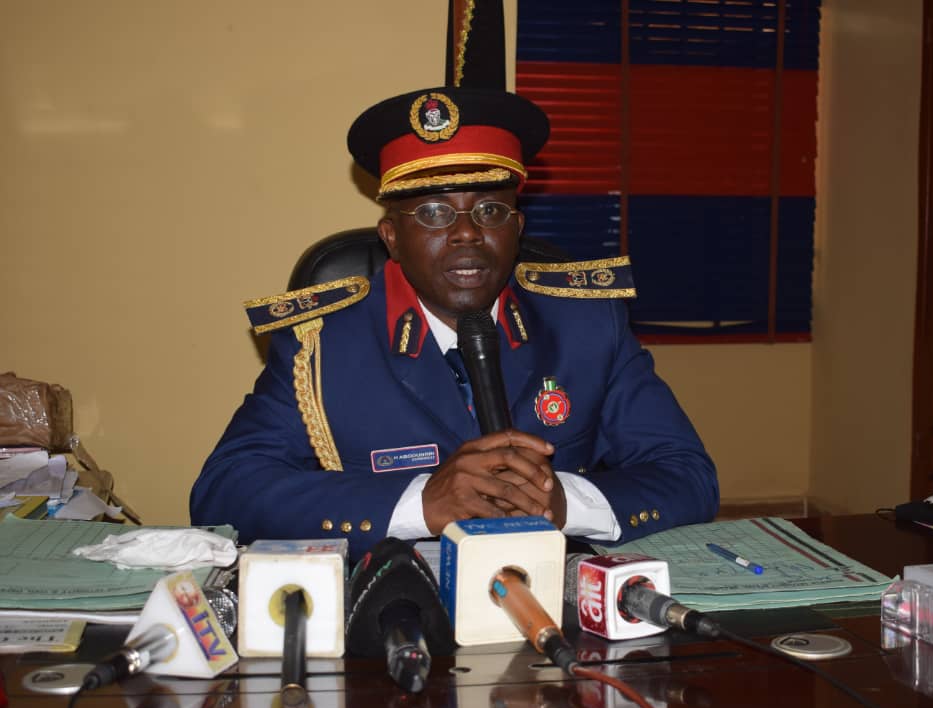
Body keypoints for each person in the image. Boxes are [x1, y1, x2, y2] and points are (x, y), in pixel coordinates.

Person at [189, 86, 719, 561]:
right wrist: (421, 503)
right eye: (433, 213)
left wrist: (565, 502)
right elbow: (225, 491)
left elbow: (688, 475)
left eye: (490, 210)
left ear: (517, 227)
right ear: (392, 238)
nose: (467, 233)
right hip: (391, 609)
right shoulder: (323, 344)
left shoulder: (586, 325)